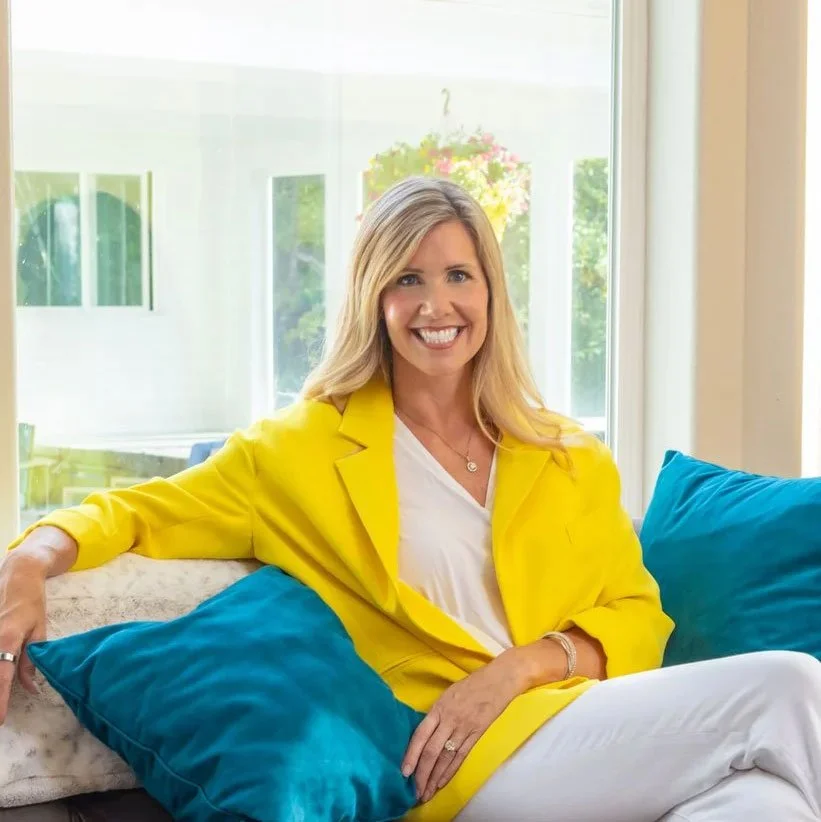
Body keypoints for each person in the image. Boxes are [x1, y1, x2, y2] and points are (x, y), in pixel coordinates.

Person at [1, 176, 821, 822]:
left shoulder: (565, 454)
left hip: (584, 724)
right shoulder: (298, 451)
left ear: (490, 292)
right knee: (789, 684)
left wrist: (516, 670)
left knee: (765, 801)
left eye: (458, 275)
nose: (436, 305)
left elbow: (637, 614)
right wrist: (30, 561)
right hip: (455, 764)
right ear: (374, 297)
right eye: (407, 279)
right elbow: (137, 512)